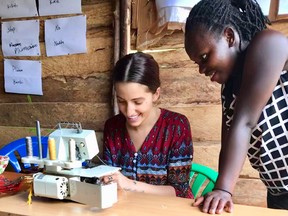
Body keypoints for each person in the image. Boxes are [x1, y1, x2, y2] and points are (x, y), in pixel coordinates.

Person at [184, 0, 288, 214]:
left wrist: (224, 189)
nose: (202, 69)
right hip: (278, 192)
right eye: (197, 63)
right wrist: (219, 190)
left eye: (204, 57)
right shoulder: (230, 88)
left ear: (229, 37)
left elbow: (246, 122)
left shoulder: (269, 44)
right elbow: (230, 138)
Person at [102, 52, 194, 198]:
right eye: (121, 101)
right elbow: (108, 179)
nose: (129, 111)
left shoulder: (176, 126)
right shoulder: (112, 127)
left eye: (137, 102)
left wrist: (129, 185)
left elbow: (179, 192)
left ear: (156, 94)